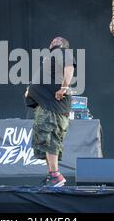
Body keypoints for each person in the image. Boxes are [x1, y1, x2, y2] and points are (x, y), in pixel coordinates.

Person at [25, 37, 76, 187]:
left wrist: (64, 88)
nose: (54, 40)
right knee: (44, 141)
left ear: (63, 44)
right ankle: (52, 176)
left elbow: (69, 68)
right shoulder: (51, 58)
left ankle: (56, 175)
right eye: (53, 39)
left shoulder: (63, 52)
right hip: (45, 105)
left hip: (54, 105)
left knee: (50, 138)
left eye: (58, 40)